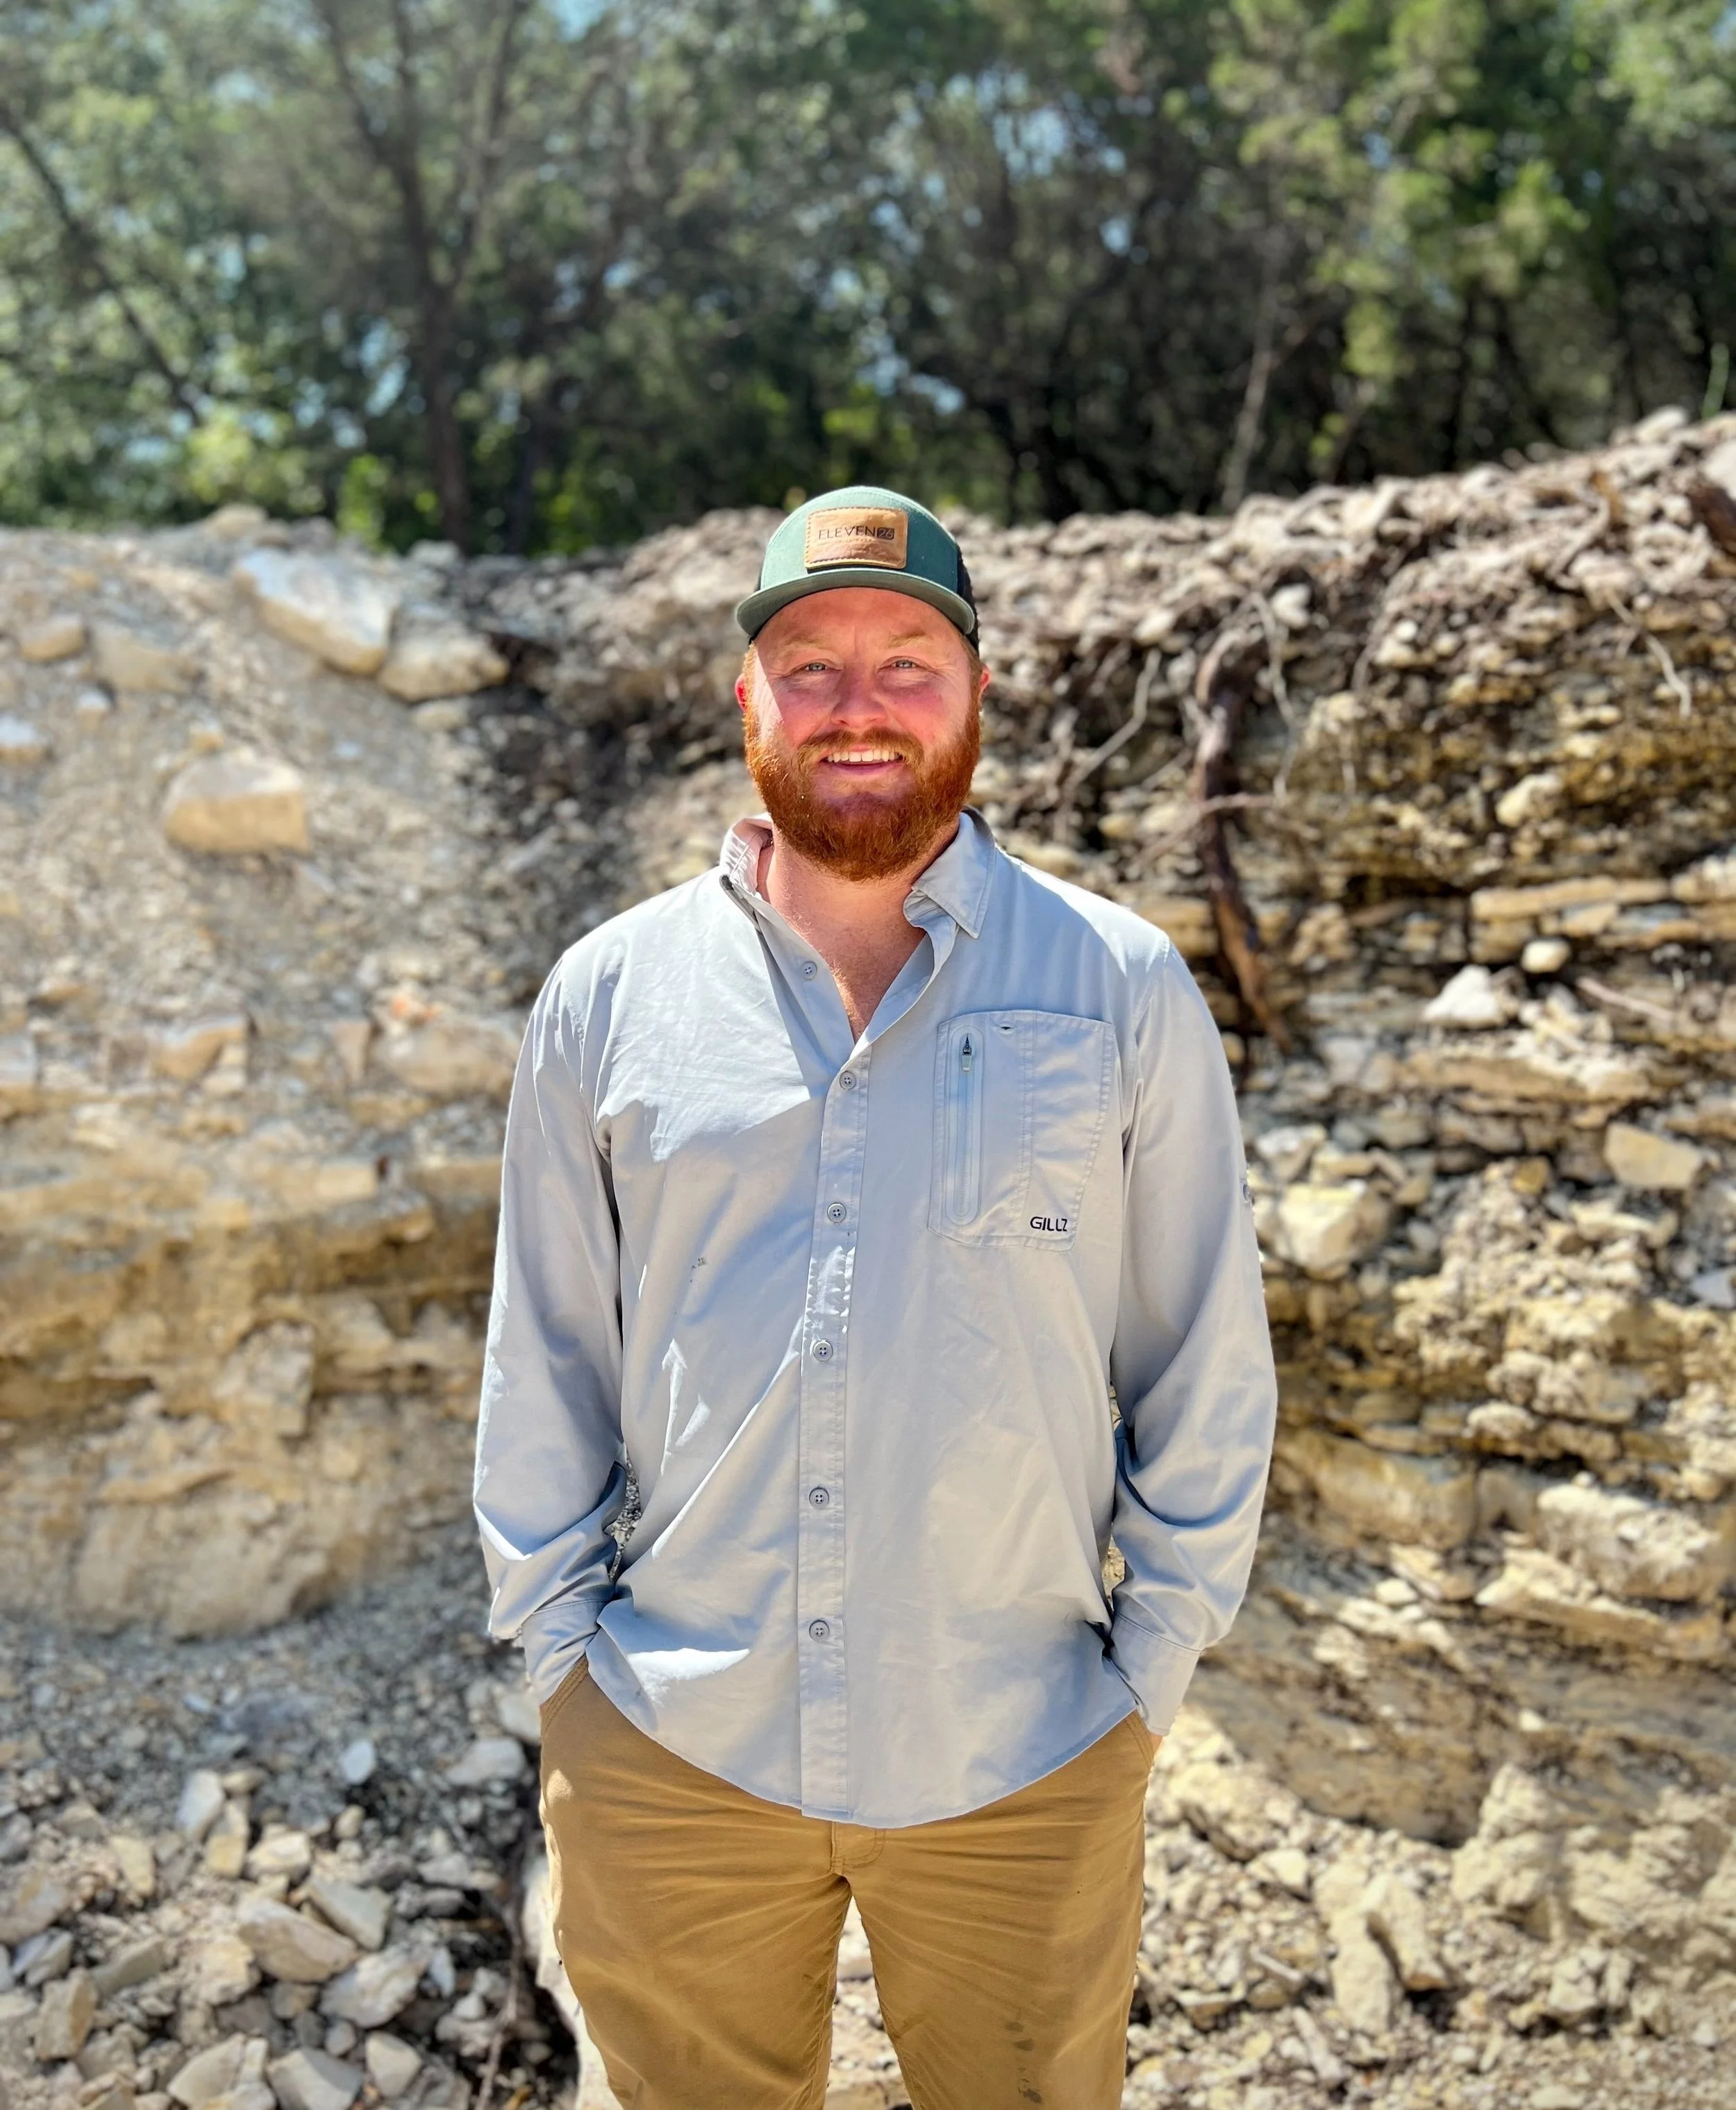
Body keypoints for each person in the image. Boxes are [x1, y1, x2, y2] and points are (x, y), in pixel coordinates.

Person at [473, 485, 1278, 2109]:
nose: (857, 706)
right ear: (744, 695)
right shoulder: (607, 997)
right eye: (809, 661)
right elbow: (543, 1357)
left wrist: (1144, 1676)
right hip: (670, 1752)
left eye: (906, 661)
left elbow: (1199, 1356)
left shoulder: (1113, 985)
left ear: (975, 693)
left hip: (1025, 1755)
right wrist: (563, 1668)